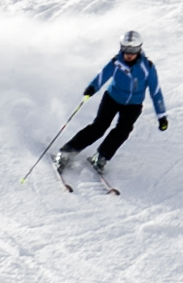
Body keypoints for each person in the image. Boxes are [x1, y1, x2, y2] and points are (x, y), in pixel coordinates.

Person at [57, 30, 169, 179]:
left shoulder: (147, 67)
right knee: (99, 127)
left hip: (133, 105)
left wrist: (162, 116)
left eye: (133, 50)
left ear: (139, 49)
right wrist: (92, 88)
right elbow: (102, 76)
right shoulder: (116, 62)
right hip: (112, 98)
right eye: (125, 50)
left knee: (123, 130)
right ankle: (67, 152)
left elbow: (155, 92)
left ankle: (101, 157)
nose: (128, 54)